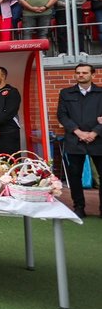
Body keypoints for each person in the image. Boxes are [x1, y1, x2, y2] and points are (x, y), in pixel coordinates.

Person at [56, 64, 102, 218]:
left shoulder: (101, 93)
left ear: (92, 75)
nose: (81, 75)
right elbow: (62, 115)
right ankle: (79, 207)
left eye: (84, 72)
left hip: (98, 139)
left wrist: (95, 132)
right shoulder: (66, 93)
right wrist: (79, 132)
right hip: (75, 140)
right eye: (78, 73)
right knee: (74, 175)